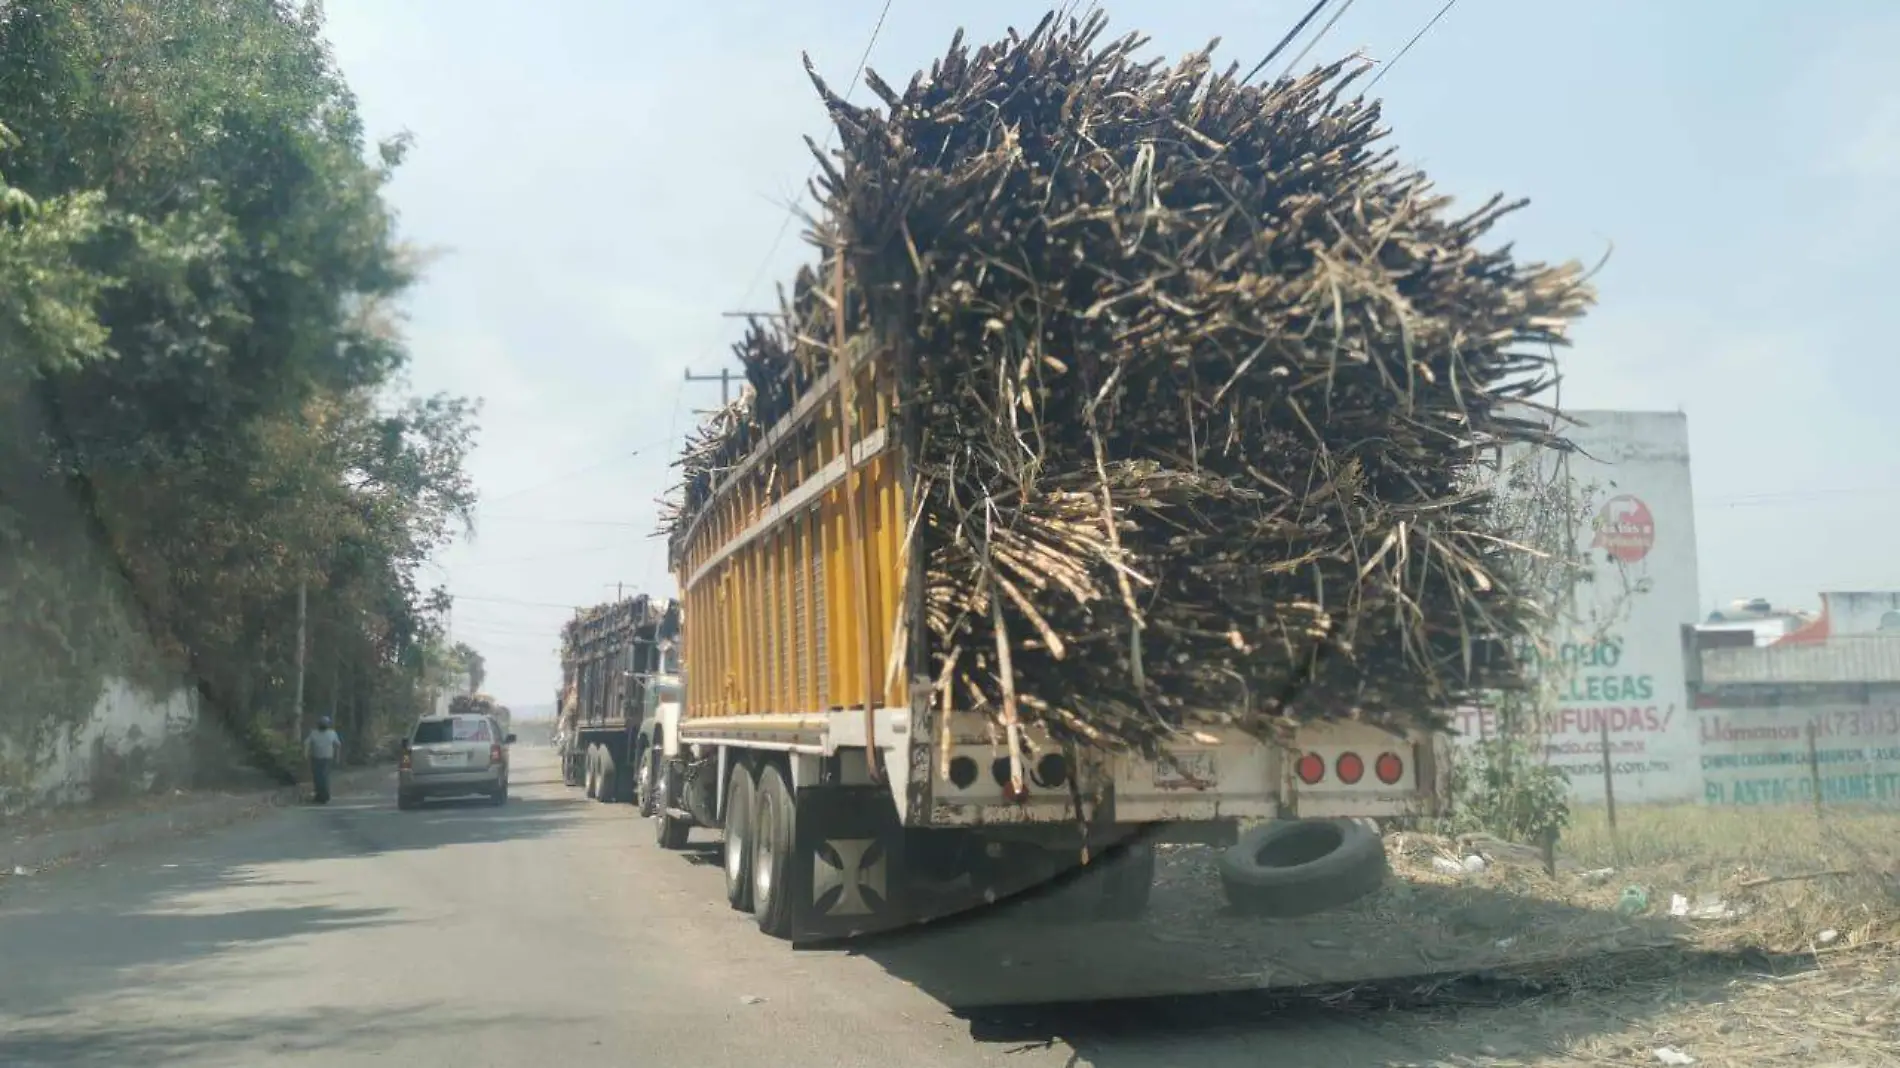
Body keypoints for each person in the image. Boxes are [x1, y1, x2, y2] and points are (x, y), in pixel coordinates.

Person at [304, 716, 343, 804]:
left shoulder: (331, 733)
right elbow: (306, 743)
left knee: (323, 776)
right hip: (317, 758)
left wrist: (337, 757)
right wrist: (306, 754)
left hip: (326, 758)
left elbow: (338, 745)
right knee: (318, 777)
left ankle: (324, 795)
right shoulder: (314, 733)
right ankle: (320, 795)